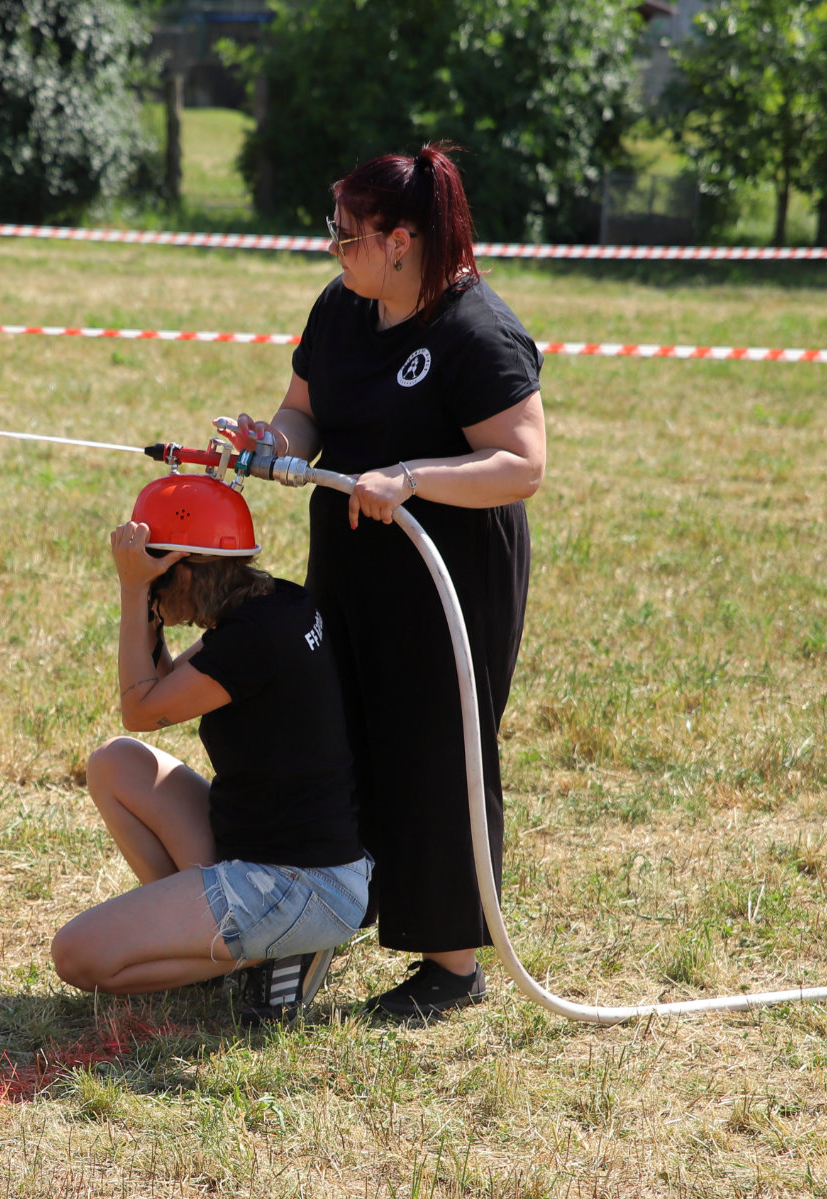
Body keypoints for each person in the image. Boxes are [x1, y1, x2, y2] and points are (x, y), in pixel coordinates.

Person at [236, 142, 546, 1020]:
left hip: (449, 571)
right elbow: (304, 410)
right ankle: (335, 913)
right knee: (342, 730)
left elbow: (522, 463)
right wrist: (276, 446)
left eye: (346, 235)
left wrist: (410, 477)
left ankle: (452, 965)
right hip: (351, 559)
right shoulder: (341, 307)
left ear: (399, 240)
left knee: (433, 746)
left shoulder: (475, 330)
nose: (333, 248)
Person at [50, 470, 370, 1018]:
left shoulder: (251, 642)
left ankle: (264, 952)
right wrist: (147, 601)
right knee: (115, 764)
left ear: (185, 570)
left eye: (156, 575)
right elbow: (163, 687)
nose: (151, 587)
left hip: (299, 882)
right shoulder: (276, 604)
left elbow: (141, 709)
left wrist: (132, 592)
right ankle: (227, 943)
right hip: (275, 851)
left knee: (77, 957)